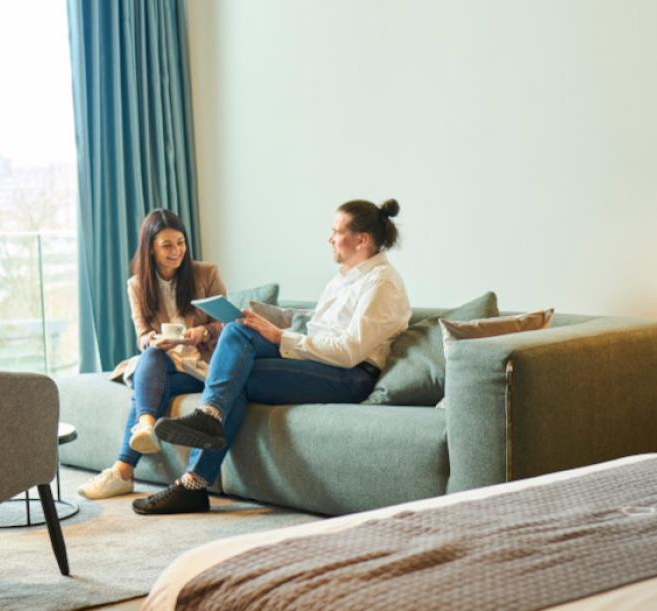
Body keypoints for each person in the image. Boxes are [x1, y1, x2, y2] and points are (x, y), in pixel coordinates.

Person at [132, 198, 412, 514]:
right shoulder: (344, 277)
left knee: (237, 376)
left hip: (350, 376)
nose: (329, 238)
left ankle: (194, 481)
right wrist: (270, 321)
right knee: (238, 330)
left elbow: (348, 351)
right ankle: (209, 419)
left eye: (336, 232)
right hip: (321, 362)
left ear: (361, 240)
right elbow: (319, 327)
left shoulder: (382, 283)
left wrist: (281, 338)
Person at [77, 208, 227, 500]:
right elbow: (142, 335)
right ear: (150, 249)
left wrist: (204, 332)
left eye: (180, 243)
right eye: (167, 245)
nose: (177, 251)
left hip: (200, 367)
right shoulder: (137, 284)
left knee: (149, 386)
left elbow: (227, 323)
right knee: (151, 359)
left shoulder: (205, 273)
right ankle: (142, 432)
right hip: (165, 365)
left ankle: (125, 464)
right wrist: (153, 341)